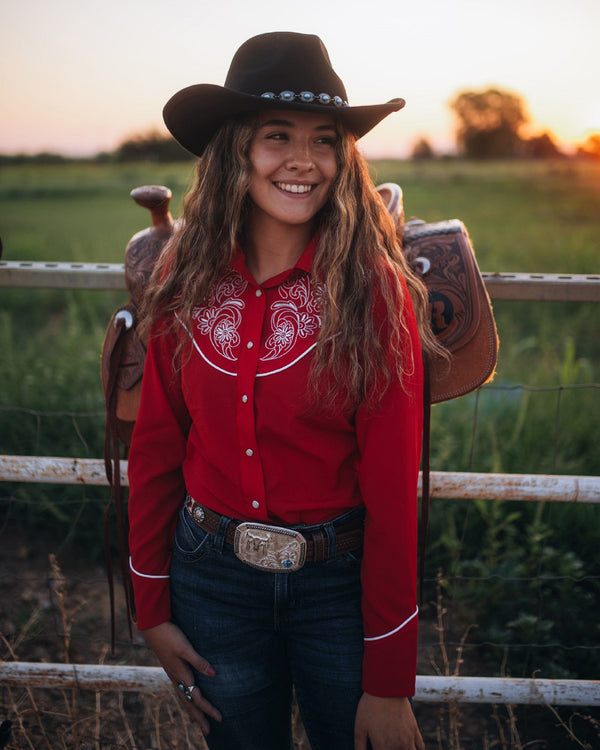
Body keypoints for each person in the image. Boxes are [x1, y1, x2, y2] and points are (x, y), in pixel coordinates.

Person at [127, 31, 436, 750]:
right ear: (236, 150)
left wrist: (388, 682)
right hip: (210, 580)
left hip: (338, 589)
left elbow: (392, 491)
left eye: (324, 140)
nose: (303, 160)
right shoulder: (184, 279)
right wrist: (152, 608)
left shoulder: (374, 293)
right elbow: (155, 447)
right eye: (277, 137)